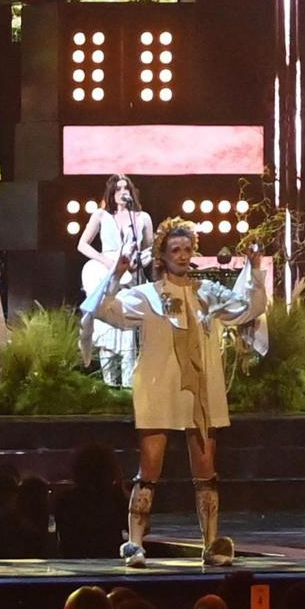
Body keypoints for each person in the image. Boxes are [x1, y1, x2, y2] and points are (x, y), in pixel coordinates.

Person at [105, 218, 263, 565]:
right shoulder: (146, 295)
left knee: (205, 468)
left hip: (200, 389)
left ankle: (211, 543)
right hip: (160, 386)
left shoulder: (208, 292)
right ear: (162, 254)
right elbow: (107, 310)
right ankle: (135, 542)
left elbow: (248, 308)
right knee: (150, 466)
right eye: (174, 249)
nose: (181, 255)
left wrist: (254, 271)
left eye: (187, 248)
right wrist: (115, 275)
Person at [78, 175, 154, 389]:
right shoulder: (101, 215)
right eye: (118, 188)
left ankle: (130, 388)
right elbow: (82, 245)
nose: (122, 192)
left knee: (129, 331)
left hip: (131, 278)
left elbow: (149, 249)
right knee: (106, 330)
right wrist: (106, 261)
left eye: (126, 187)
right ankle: (109, 386)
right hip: (105, 274)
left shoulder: (141, 218)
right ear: (111, 192)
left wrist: (140, 260)